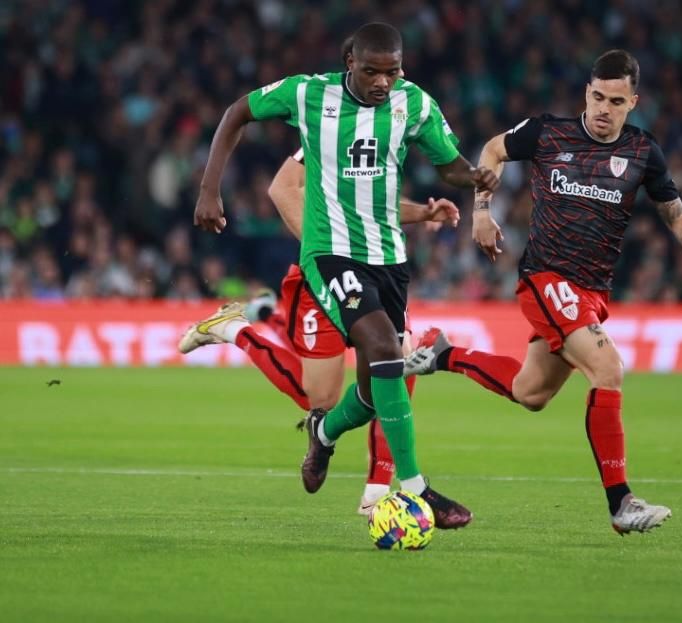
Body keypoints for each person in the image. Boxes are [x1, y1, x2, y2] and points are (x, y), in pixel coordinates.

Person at [406, 49, 682, 535]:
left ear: (633, 101)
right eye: (596, 97)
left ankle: (443, 355)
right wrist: (482, 210)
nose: (603, 109)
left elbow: (676, 214)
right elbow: (492, 149)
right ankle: (621, 503)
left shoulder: (643, 151)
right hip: (547, 278)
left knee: (531, 393)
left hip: (593, 291)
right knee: (608, 369)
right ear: (586, 91)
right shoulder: (549, 132)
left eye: (615, 101)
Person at [190, 22, 498, 529]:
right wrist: (209, 189)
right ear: (349, 62)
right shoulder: (310, 94)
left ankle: (325, 434)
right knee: (382, 347)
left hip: (389, 256)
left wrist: (473, 178)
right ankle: (418, 491)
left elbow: (449, 164)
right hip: (330, 253)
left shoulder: (414, 104)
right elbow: (237, 112)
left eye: (392, 71)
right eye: (372, 70)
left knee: (375, 391)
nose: (383, 81)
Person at [179, 145, 459, 515]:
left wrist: (423, 212)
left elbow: (376, 207)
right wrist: (324, 252)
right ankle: (234, 330)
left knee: (394, 366)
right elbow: (282, 189)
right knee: (320, 402)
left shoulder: (389, 124)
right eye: (380, 80)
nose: (388, 84)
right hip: (323, 279)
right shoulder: (326, 122)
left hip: (380, 272)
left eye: (393, 81)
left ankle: (377, 494)